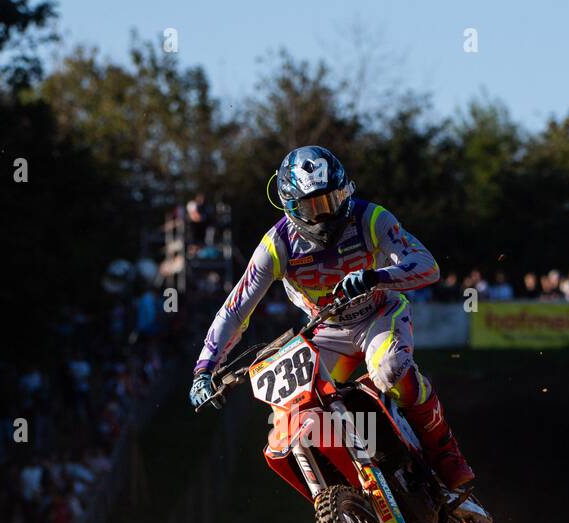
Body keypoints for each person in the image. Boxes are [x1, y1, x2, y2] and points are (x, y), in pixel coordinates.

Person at [187, 145, 475, 489]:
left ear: (345, 190)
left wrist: (376, 276)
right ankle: (348, 489)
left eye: (333, 199)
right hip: (325, 330)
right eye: (314, 205)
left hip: (378, 314)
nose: (327, 213)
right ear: (292, 206)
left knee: (390, 370)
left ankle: (445, 450)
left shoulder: (371, 217)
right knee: (288, 414)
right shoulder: (276, 245)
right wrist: (204, 369)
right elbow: (236, 308)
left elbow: (427, 266)